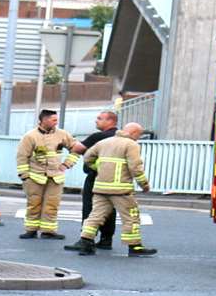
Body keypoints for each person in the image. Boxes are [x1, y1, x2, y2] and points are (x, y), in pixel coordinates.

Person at [67, 122, 156, 257]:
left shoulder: (104, 142)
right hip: (121, 189)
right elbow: (135, 167)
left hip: (100, 187)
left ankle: (86, 242)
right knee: (131, 216)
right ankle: (135, 246)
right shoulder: (131, 145)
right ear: (134, 133)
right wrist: (144, 184)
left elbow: (87, 158)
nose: (139, 137)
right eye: (139, 134)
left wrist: (99, 168)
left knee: (95, 215)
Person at [14, 109, 76, 239]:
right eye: (53, 119)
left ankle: (48, 231)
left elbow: (76, 149)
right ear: (44, 120)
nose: (56, 122)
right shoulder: (30, 136)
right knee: (33, 203)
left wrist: (67, 164)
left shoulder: (63, 134)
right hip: (35, 177)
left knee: (52, 204)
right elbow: (22, 156)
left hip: (56, 177)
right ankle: (31, 230)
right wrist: (24, 175)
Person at [68, 109, 119, 249]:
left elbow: (78, 148)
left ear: (110, 121)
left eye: (100, 118)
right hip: (115, 180)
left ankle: (86, 240)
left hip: (96, 178)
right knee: (109, 209)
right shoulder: (121, 138)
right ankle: (106, 239)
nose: (96, 120)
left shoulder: (98, 137)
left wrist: (64, 141)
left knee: (90, 208)